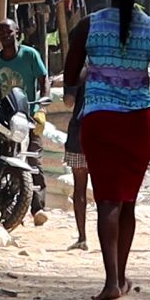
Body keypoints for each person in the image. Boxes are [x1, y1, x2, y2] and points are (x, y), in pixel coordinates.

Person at [63, 0, 150, 300]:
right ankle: (119, 275)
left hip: (100, 120)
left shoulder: (87, 26)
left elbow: (70, 76)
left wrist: (96, 68)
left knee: (106, 200)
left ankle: (111, 282)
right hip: (138, 123)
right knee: (127, 202)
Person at [0, 19, 50, 226]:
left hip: (27, 114)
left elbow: (43, 80)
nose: (4, 35)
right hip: (4, 116)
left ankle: (37, 208)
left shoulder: (29, 55)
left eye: (8, 31)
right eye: (0, 32)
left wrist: (42, 108)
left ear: (17, 32)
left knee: (33, 159)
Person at [63, 82, 89, 250]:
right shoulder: (109, 69)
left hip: (79, 135)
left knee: (80, 189)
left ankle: (82, 237)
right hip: (106, 134)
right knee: (106, 192)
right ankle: (109, 238)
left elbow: (68, 102)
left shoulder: (79, 73)